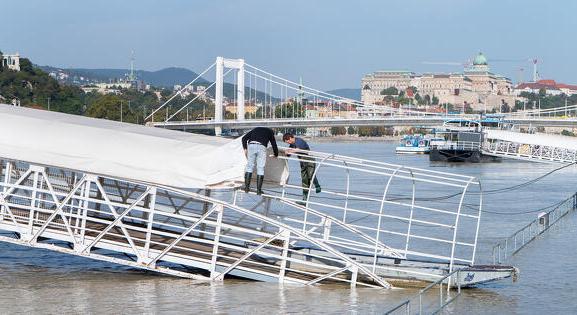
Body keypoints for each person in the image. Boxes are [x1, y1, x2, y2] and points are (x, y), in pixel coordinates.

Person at [282, 132, 321, 202]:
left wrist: (290, 151)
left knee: (311, 175)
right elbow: (289, 153)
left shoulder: (299, 141)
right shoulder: (292, 144)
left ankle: (317, 186)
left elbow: (298, 149)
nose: (288, 143)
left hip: (309, 160)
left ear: (290, 138)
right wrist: (285, 154)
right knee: (304, 179)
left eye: (287, 142)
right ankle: (304, 200)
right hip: (302, 161)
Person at [242, 127, 278, 195]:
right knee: (260, 168)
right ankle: (259, 191)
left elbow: (244, 138)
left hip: (251, 145)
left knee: (249, 166)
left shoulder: (255, 129)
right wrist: (276, 154)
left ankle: (246, 188)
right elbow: (274, 144)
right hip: (261, 147)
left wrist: (245, 148)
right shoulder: (270, 132)